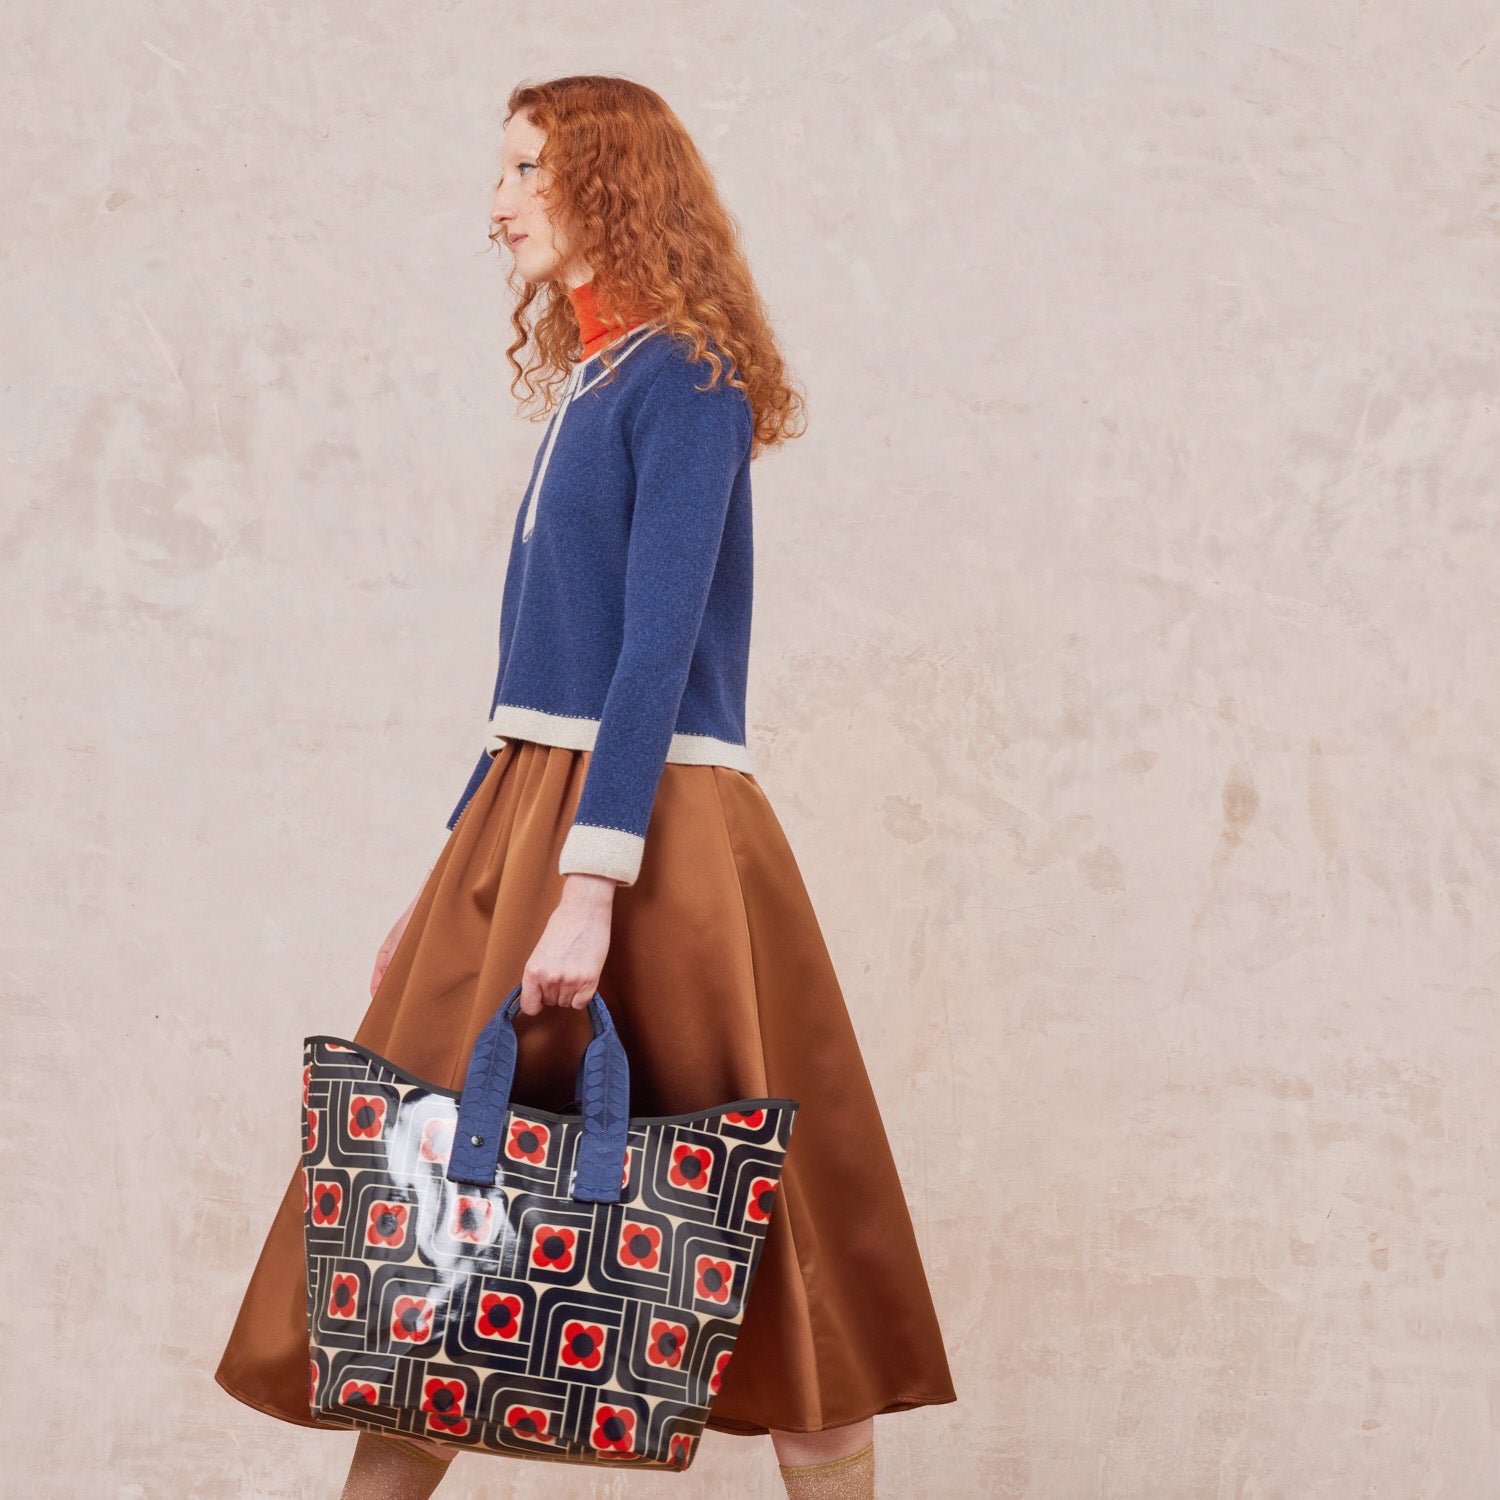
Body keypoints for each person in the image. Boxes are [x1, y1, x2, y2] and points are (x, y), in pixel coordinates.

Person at [213, 74, 956, 1499]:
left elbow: (653, 657)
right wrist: (439, 888)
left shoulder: (685, 380)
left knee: (784, 1253)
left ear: (609, 183)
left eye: (524, 171)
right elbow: (531, 684)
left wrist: (590, 887)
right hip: (530, 820)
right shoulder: (599, 380)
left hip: (654, 837)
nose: (494, 203)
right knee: (430, 1237)